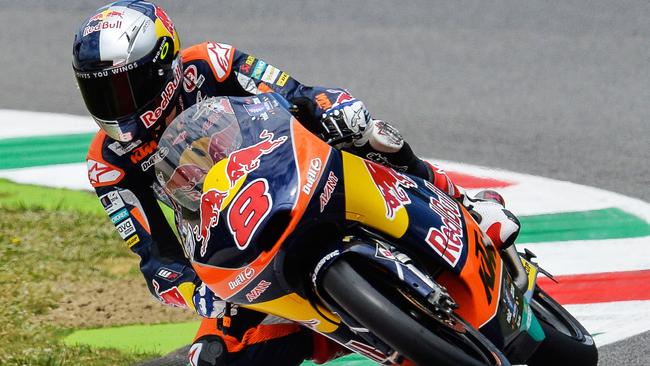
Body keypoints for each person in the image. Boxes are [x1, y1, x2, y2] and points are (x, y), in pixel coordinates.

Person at [72, 1, 520, 365]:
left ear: (161, 67)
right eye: (99, 92)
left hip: (293, 168)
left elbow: (292, 93)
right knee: (211, 356)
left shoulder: (212, 63)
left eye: (123, 88)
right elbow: (156, 257)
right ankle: (337, 331)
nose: (113, 104)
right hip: (236, 244)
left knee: (369, 133)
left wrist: (331, 106)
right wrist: (195, 291)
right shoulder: (108, 164)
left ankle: (467, 203)